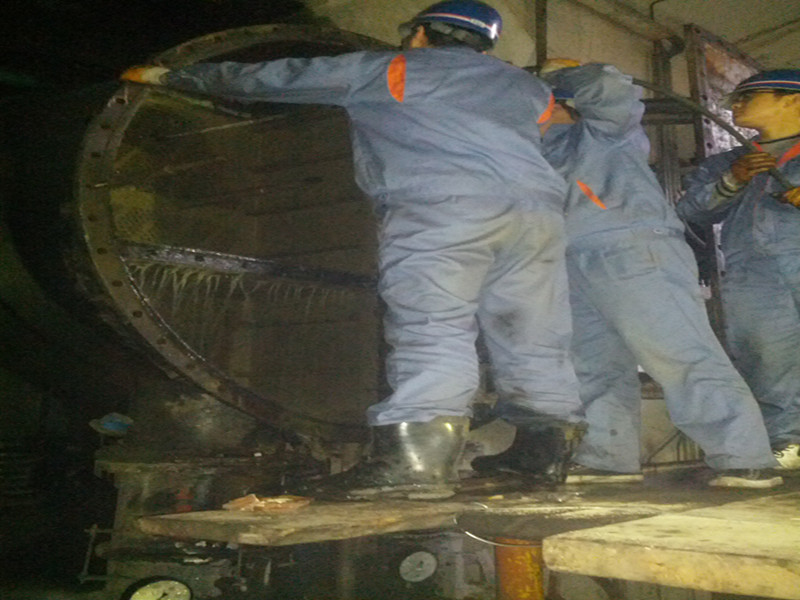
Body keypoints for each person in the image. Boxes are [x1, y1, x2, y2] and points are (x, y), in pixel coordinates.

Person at [121, 1, 584, 499]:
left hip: (444, 208)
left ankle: (417, 465)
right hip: (538, 216)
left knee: (434, 323)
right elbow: (546, 122)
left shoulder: (392, 69)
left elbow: (277, 79)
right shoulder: (524, 87)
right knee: (533, 329)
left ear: (421, 35)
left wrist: (175, 78)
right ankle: (543, 456)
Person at [475, 59, 781, 488]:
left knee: (679, 354)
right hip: (570, 260)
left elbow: (610, 90)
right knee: (593, 364)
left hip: (634, 251)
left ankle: (744, 455)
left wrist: (562, 74)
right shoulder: (536, 152)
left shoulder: (604, 132)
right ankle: (606, 457)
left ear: (560, 103)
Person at [677, 69, 800, 472]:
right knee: (765, 358)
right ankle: (788, 442)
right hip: (754, 273)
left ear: (793, 99)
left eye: (749, 96)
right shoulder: (730, 162)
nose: (736, 105)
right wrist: (734, 179)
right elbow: (691, 211)